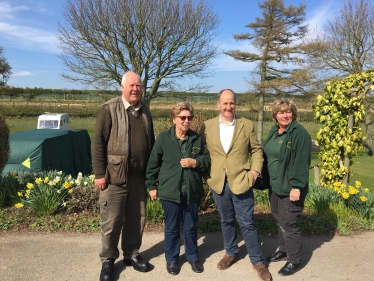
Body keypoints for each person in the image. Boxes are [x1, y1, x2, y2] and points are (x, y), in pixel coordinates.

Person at [199, 89, 272, 281]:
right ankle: (231, 252)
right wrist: (207, 175)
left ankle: (258, 262)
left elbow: (256, 150)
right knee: (226, 220)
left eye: (232, 103)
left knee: (247, 222)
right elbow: (202, 153)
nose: (228, 106)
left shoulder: (246, 125)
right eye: (225, 103)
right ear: (218, 104)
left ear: (235, 104)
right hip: (218, 183)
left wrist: (255, 172)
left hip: (242, 181)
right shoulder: (207, 126)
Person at [91, 71, 155, 281]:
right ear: (122, 87)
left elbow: (150, 142)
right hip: (115, 177)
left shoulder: (145, 109)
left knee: (137, 219)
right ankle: (108, 259)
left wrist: (152, 175)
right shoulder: (109, 109)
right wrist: (100, 174)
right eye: (131, 85)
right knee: (112, 220)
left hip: (139, 177)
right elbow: (98, 143)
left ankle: (132, 254)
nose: (135, 89)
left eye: (138, 85)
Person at [146, 102, 210, 276]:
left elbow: (207, 160)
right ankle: (172, 259)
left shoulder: (196, 139)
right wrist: (152, 186)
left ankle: (193, 257)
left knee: (190, 227)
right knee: (172, 227)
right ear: (174, 119)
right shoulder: (163, 139)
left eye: (189, 117)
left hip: (191, 191)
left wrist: (195, 162)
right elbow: (153, 164)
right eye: (182, 117)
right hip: (170, 191)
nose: (186, 121)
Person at [262, 98, 311, 276]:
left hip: (290, 188)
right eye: (281, 112)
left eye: (288, 111)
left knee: (289, 223)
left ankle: (295, 260)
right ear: (275, 115)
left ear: (293, 113)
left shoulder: (299, 133)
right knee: (279, 219)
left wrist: (297, 187)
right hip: (275, 185)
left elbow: (301, 162)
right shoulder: (274, 132)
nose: (285, 115)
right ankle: (284, 250)